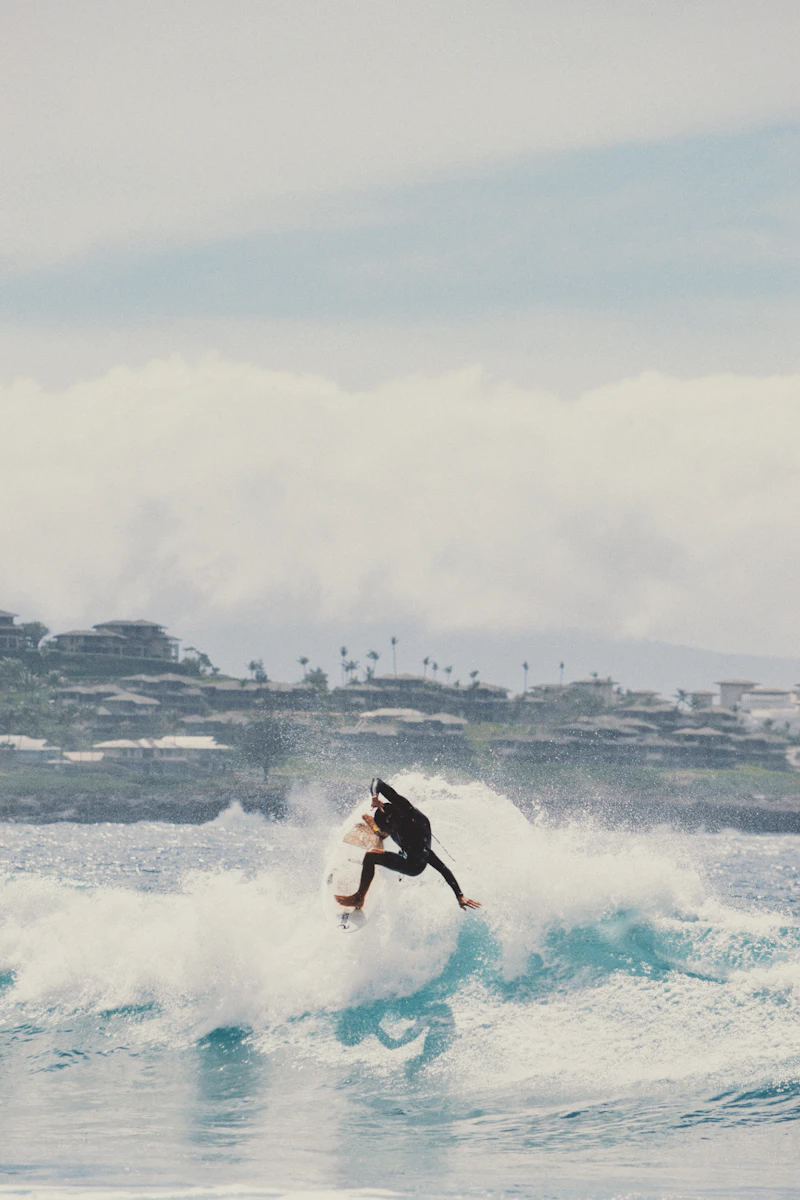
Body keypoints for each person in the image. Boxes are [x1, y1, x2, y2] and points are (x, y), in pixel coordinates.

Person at [335, 777, 481, 911]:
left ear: (394, 826)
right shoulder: (402, 806)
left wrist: (459, 895)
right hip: (404, 834)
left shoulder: (416, 842)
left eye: (386, 829)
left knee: (370, 856)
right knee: (383, 835)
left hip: (412, 864)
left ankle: (359, 898)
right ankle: (379, 831)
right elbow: (377, 782)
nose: (388, 831)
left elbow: (441, 867)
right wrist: (375, 796)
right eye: (384, 829)